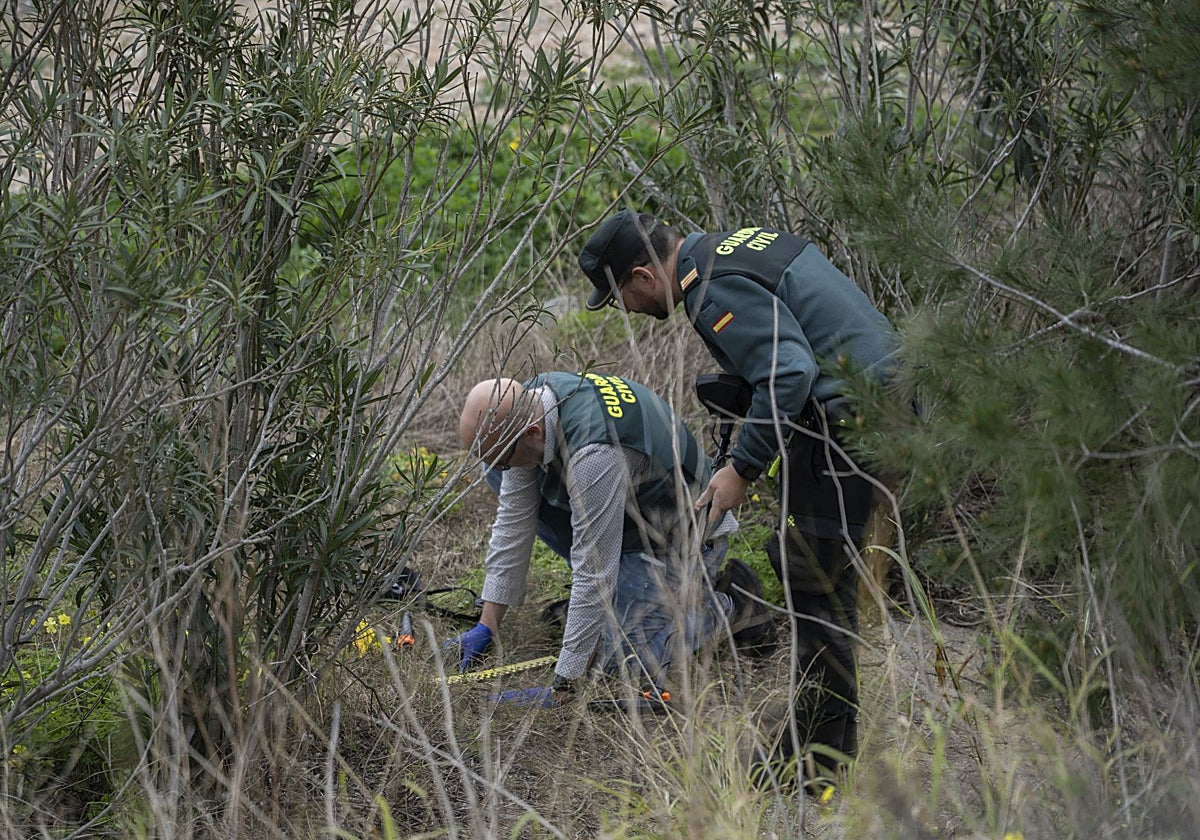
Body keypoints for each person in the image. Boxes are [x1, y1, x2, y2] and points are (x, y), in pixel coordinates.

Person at [577, 209, 900, 783]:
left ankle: (815, 764)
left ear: (643, 276)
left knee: (815, 583)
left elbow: (788, 372)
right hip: (875, 402)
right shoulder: (730, 250)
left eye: (620, 294)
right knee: (817, 577)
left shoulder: (711, 288)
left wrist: (742, 469)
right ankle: (824, 738)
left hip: (853, 417)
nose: (627, 310)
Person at [445, 372, 739, 706]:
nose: (498, 467)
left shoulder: (594, 455)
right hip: (627, 520)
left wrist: (566, 685)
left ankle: (724, 607)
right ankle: (621, 601)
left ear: (532, 433)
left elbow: (593, 570)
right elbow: (514, 520)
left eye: (500, 457)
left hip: (680, 542)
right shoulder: (534, 402)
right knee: (502, 474)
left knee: (616, 662)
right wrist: (488, 625)